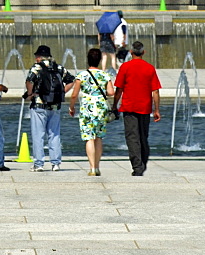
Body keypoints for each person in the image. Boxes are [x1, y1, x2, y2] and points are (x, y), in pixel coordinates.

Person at [23, 45, 75, 172]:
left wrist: (30, 94)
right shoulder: (58, 67)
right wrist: (62, 92)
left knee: (38, 135)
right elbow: (71, 80)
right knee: (54, 134)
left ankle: (39, 164)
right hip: (55, 106)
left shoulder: (37, 67)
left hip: (39, 105)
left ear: (39, 57)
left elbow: (29, 80)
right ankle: (56, 163)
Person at [113, 41, 161, 176]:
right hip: (145, 107)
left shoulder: (125, 67)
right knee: (143, 137)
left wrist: (114, 105)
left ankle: (137, 166)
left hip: (129, 107)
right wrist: (156, 109)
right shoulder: (150, 68)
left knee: (132, 137)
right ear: (144, 52)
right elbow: (155, 91)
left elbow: (119, 89)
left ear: (131, 52)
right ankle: (142, 164)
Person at [68, 48, 115, 176]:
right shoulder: (105, 75)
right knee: (99, 137)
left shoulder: (82, 75)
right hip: (100, 107)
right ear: (100, 60)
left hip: (87, 107)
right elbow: (111, 92)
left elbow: (74, 94)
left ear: (88, 60)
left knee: (89, 137)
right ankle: (98, 166)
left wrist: (72, 107)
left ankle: (92, 168)